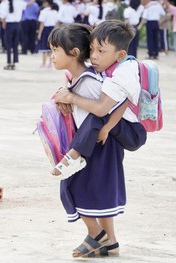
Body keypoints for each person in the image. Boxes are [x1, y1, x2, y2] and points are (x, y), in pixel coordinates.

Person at [48, 22, 123, 258]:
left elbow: (102, 112)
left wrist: (71, 98)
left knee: (71, 186)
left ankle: (96, 234)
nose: (51, 56)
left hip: (99, 145)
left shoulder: (89, 82)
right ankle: (110, 241)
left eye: (55, 50)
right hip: (98, 145)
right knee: (100, 192)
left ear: (74, 53)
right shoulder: (81, 79)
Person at [53, 20, 147, 196]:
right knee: (98, 108)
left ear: (120, 55)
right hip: (117, 121)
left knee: (97, 112)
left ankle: (74, 155)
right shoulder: (105, 64)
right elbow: (68, 74)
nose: (94, 56)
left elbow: (114, 105)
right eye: (91, 49)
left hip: (133, 132)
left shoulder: (125, 71)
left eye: (101, 51)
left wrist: (107, 128)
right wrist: (64, 90)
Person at [0, 0, 34, 70]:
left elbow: (2, 16)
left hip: (9, 25)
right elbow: (28, 4)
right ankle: (15, 62)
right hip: (17, 25)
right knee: (15, 45)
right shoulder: (19, 2)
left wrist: (3, 22)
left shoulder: (5, 3)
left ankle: (9, 62)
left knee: (8, 45)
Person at [37, 0, 58, 68]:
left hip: (45, 29)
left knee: (44, 47)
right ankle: (50, 63)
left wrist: (40, 33)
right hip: (52, 29)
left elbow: (42, 23)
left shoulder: (43, 11)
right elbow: (56, 23)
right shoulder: (55, 11)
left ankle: (44, 63)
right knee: (51, 47)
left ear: (47, 3)